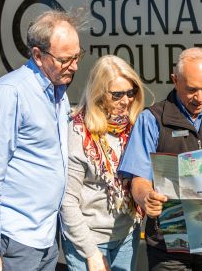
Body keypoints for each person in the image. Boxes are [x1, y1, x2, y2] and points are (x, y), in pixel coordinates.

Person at [0, 10, 84, 270]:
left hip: (46, 236)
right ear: (37, 55)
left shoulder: (59, 93)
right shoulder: (9, 94)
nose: (75, 66)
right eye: (66, 59)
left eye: (77, 56)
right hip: (17, 240)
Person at [118, 47, 202, 271]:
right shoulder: (153, 119)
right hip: (169, 248)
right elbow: (138, 178)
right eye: (192, 90)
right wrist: (146, 197)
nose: (200, 98)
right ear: (175, 80)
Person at [60, 55, 146, 271]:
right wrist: (91, 253)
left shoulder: (135, 127)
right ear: (99, 93)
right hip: (88, 240)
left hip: (127, 235)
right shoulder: (79, 133)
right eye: (117, 95)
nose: (126, 101)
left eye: (130, 92)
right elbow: (67, 202)